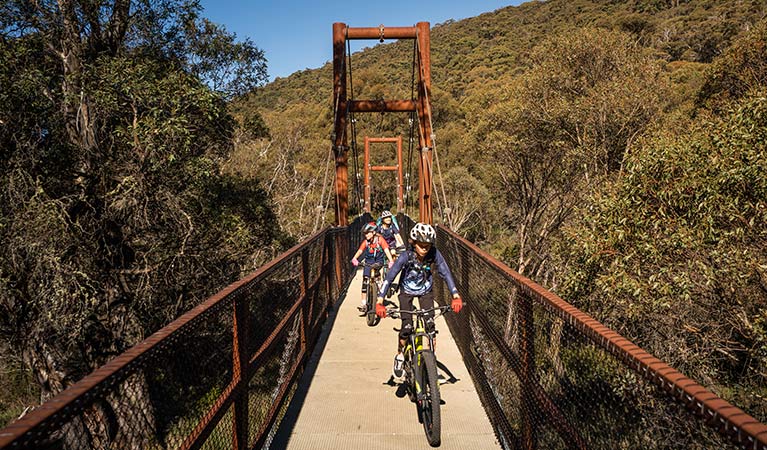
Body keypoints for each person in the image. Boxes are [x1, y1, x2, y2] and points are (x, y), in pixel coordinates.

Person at [375, 222, 463, 379]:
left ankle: (431, 363)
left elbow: (446, 273)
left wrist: (455, 295)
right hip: (406, 292)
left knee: (430, 328)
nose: (424, 249)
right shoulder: (406, 256)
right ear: (413, 243)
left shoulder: (434, 254)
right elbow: (390, 277)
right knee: (407, 328)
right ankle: (400, 355)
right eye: (421, 245)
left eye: (427, 245)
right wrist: (379, 300)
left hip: (426, 292)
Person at [351, 222, 395, 313]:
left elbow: (386, 250)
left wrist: (391, 261)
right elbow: (360, 251)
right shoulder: (366, 242)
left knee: (377, 279)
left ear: (374, 232)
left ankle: (380, 296)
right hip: (368, 262)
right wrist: (354, 258)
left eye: (368, 233)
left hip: (378, 262)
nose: (366, 235)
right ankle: (363, 304)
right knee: (365, 281)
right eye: (365, 233)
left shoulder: (380, 240)